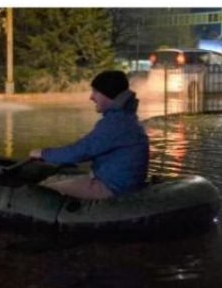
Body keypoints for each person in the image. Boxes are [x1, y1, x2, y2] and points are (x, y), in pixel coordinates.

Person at [29, 70, 149, 200]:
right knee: (53, 179)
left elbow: (80, 152)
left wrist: (43, 153)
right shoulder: (125, 118)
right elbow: (87, 149)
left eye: (95, 92)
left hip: (112, 188)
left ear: (108, 94)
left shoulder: (116, 123)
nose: (91, 97)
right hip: (117, 183)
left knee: (41, 190)